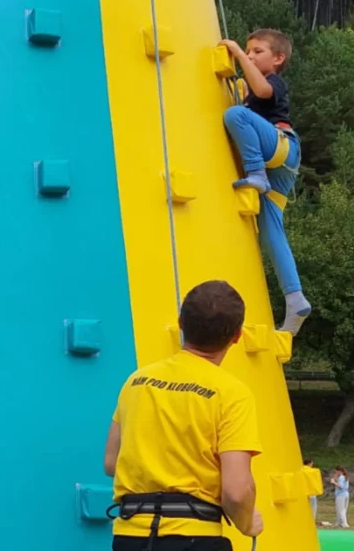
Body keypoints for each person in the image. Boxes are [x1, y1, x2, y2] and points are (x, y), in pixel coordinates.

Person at [105, 280, 264, 551]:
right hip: (195, 536)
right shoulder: (231, 394)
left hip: (131, 536)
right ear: (237, 336)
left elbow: (111, 462)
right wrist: (248, 523)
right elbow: (236, 491)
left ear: (181, 323)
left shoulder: (137, 382)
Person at [219, 29, 310, 337]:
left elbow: (260, 92)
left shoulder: (274, 83)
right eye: (249, 50)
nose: (251, 55)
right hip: (282, 167)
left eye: (258, 51)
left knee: (235, 115)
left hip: (281, 147)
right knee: (271, 233)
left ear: (278, 58)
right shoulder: (256, 87)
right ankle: (295, 298)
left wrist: (237, 53)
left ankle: (255, 172)